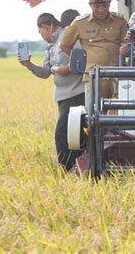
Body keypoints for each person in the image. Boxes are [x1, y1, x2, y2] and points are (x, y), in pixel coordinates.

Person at [18, 12, 85, 171]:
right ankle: (75, 168)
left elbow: (82, 60)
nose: (41, 36)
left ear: (47, 27)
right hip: (63, 96)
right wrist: (29, 65)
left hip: (76, 93)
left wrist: (66, 69)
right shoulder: (51, 46)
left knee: (63, 135)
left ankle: (68, 169)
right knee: (71, 135)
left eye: (40, 31)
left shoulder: (68, 36)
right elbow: (46, 72)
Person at [59, 0, 128, 107]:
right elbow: (64, 44)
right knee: (94, 115)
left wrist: (127, 49)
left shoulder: (120, 21)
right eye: (96, 6)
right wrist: (80, 60)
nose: (101, 10)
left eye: (105, 6)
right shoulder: (80, 23)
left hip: (118, 75)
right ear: (90, 5)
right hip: (94, 76)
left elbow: (128, 46)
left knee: (120, 112)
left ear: (109, 3)